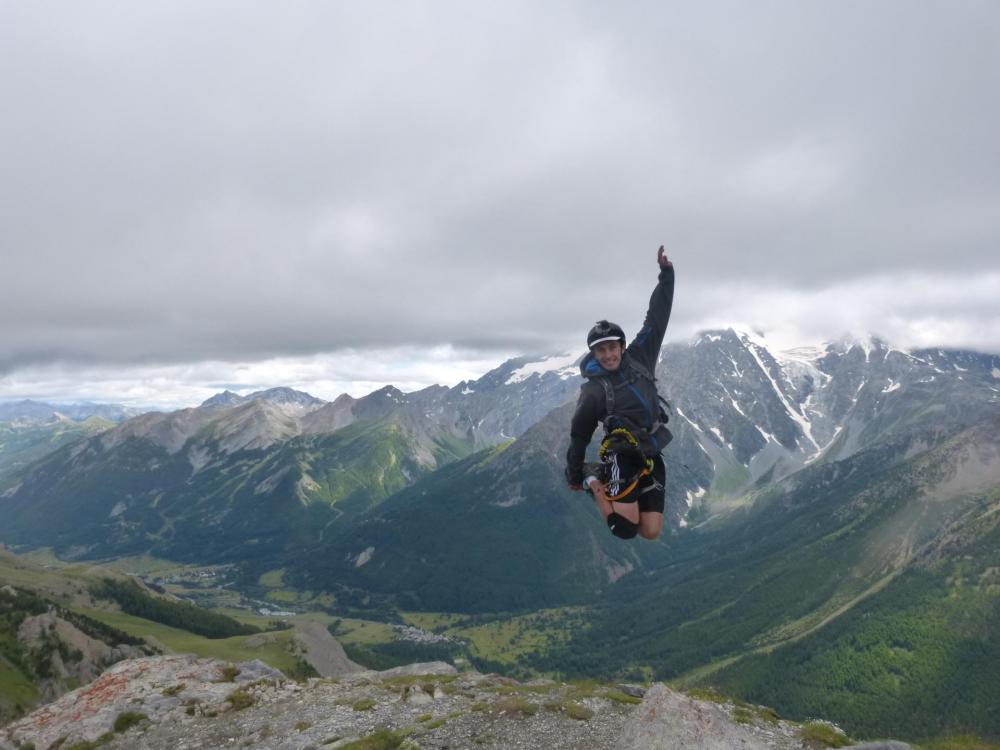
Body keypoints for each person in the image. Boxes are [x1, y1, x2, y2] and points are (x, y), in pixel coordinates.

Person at [565, 246, 675, 540]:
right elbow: (580, 434)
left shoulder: (640, 358)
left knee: (650, 531)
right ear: (594, 353)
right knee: (625, 530)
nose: (608, 354)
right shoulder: (594, 391)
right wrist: (576, 474)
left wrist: (666, 276)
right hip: (621, 456)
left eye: (613, 347)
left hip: (651, 450)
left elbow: (657, 319)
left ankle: (624, 490)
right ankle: (594, 478)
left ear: (622, 347)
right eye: (601, 350)